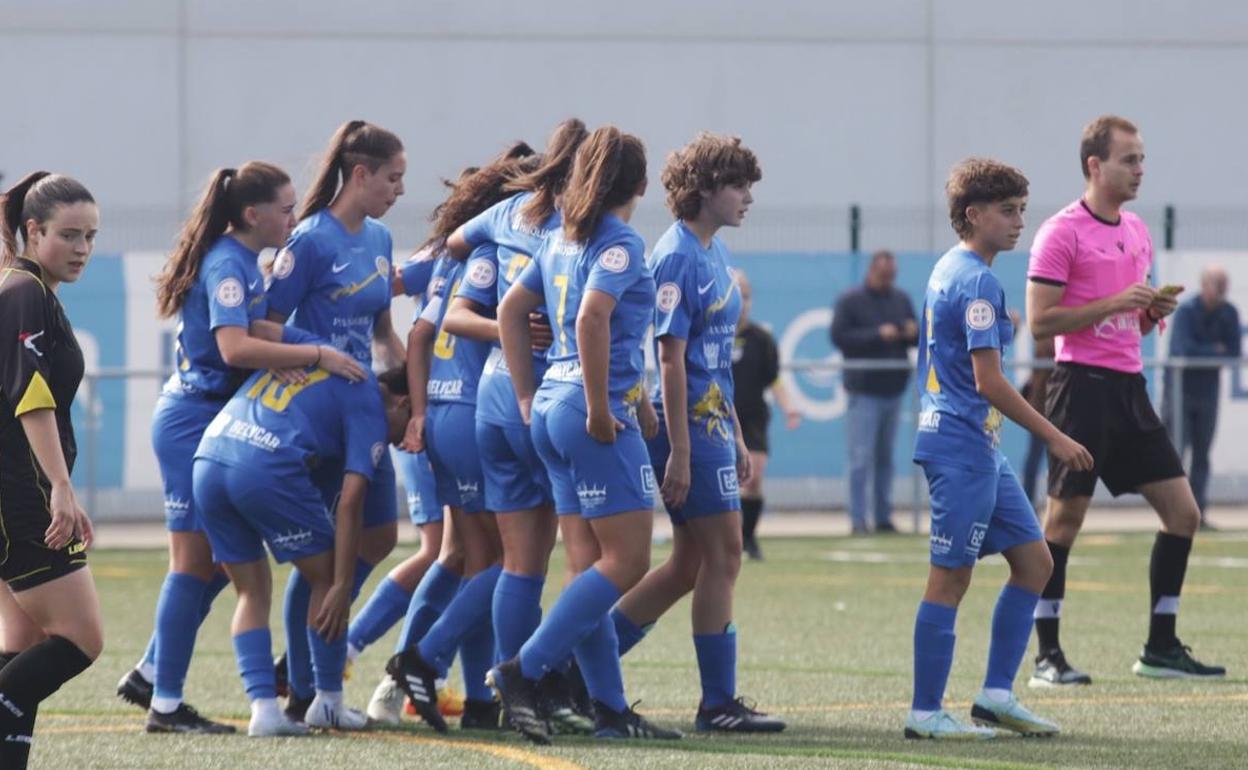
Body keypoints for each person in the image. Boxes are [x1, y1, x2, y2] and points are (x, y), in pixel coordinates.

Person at [117, 163, 366, 734]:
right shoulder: (229, 263)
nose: (293, 217)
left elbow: (262, 330)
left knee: (222, 570)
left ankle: (156, 678)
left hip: (209, 420)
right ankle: (163, 701)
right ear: (252, 215)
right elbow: (234, 347)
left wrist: (314, 344)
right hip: (191, 423)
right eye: (285, 207)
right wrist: (317, 357)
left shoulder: (246, 263)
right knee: (193, 566)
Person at [490, 126, 680, 744]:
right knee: (627, 561)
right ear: (642, 185)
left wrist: (527, 393)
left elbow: (509, 312)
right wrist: (602, 407)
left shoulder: (560, 238)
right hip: (586, 413)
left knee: (588, 567)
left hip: (552, 404)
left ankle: (609, 707)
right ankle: (525, 671)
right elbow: (594, 315)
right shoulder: (619, 241)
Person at [1026, 115, 1225, 685]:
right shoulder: (1061, 231)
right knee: (1063, 521)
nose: (1140, 170)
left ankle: (1160, 649)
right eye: (1129, 159)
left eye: (1142, 159)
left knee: (1183, 514)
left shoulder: (1136, 231)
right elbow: (1042, 323)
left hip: (1129, 389)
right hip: (1078, 388)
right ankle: (1047, 657)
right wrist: (1116, 303)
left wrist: (1148, 313)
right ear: (1096, 165)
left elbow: (1130, 326)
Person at [906, 157, 1093, 740]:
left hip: (977, 447)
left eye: (1021, 211)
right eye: (1007, 211)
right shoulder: (978, 280)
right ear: (973, 214)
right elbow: (988, 382)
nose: (1018, 223)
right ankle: (925, 713)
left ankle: (995, 696)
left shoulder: (952, 268)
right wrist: (1055, 436)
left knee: (1035, 562)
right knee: (950, 579)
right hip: (961, 446)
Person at [608, 132, 783, 734]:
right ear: (704, 190)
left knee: (689, 565)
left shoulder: (711, 254)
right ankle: (717, 704)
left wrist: (733, 433)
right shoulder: (677, 255)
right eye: (738, 185)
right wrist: (680, 450)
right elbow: (672, 361)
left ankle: (580, 670)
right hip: (682, 426)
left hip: (710, 423)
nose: (747, 198)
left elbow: (713, 363)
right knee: (725, 553)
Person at [443, 118, 592, 733]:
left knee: (518, 562)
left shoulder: (509, 214)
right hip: (543, 394)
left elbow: (455, 241)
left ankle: (517, 695)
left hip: (492, 399)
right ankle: (571, 691)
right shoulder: (575, 229)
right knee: (593, 559)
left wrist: (497, 256)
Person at [385, 150, 540, 733]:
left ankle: (479, 699)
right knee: (509, 561)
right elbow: (439, 329)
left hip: (447, 414)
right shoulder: (495, 254)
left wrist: (421, 412)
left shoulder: (453, 254)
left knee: (473, 559)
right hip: (478, 413)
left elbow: (420, 333)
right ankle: (419, 657)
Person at [265, 120, 408, 719]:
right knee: (328, 556)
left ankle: (309, 677)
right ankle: (317, 692)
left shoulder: (379, 238)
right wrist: (315, 357)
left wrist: (410, 390)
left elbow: (381, 331)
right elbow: (265, 326)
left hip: (366, 409)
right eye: (393, 178)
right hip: (319, 416)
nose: (400, 189)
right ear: (360, 174)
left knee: (379, 536)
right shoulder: (310, 242)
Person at [193, 365, 411, 735]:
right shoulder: (368, 404)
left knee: (251, 591)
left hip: (209, 455)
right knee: (324, 578)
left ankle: (264, 711)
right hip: (261, 465)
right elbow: (351, 502)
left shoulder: (320, 363)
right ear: (403, 404)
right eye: (414, 423)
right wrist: (343, 583)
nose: (404, 441)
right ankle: (328, 702)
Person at [0, 172, 105, 770]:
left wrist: (62, 488)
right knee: (80, 640)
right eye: (69, 234)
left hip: (21, 490)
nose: (82, 248)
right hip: (18, 496)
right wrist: (60, 489)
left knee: (24, 646)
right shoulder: (24, 292)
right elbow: (31, 398)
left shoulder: (30, 289)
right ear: (33, 230)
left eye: (90, 235)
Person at [831, 250, 917, 533]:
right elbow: (839, 337)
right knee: (860, 457)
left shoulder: (900, 299)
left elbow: (918, 335)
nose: (887, 280)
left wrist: (909, 331)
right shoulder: (851, 301)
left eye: (891, 276)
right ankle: (858, 520)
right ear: (871, 271)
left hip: (893, 389)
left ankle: (882, 517)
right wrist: (877, 334)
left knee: (885, 459)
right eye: (883, 275)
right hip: (864, 391)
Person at [1163, 265, 1241, 529]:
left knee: (1201, 455)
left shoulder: (1229, 314)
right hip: (1180, 393)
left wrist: (1207, 353)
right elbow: (1182, 350)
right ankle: (1172, 514)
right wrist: (1213, 350)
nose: (1222, 291)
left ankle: (1198, 514)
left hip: (1207, 394)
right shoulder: (1186, 312)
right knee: (1176, 453)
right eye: (1217, 284)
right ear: (1205, 285)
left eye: (1224, 285)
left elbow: (1233, 353)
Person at [732, 270, 801, 560]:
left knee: (754, 476)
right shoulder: (712, 333)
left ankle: (748, 538)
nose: (743, 302)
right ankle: (729, 540)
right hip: (720, 416)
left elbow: (774, 378)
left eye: (747, 296)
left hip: (754, 416)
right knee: (727, 482)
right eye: (738, 295)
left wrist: (790, 406)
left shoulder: (761, 339)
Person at [1019, 335, 1055, 509]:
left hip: (1053, 405)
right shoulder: (1047, 339)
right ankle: (1029, 504)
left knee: (1053, 460)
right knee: (1034, 459)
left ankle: (1050, 503)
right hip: (1043, 407)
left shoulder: (1049, 338)